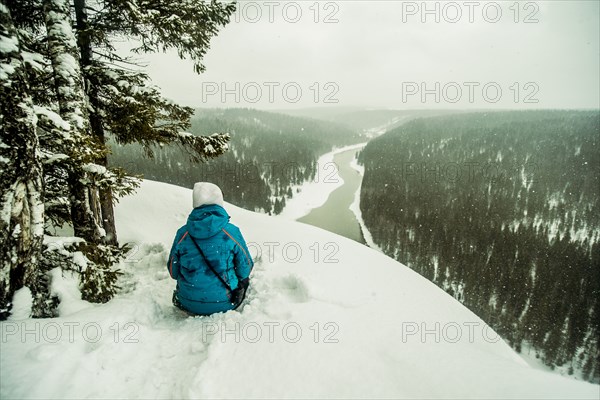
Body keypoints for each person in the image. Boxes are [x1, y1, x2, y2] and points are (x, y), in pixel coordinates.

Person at [167, 182, 253, 316]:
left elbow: (173, 271)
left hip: (187, 302)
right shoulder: (231, 232)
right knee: (245, 280)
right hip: (225, 302)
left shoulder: (182, 234)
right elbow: (246, 267)